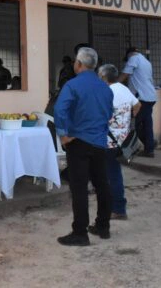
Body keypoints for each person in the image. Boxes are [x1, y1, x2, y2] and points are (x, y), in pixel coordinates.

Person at [54, 47, 113, 246]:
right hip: (99, 141)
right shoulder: (105, 87)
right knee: (102, 184)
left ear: (78, 64)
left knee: (79, 188)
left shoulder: (72, 85)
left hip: (78, 141)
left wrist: (63, 134)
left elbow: (60, 110)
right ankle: (103, 226)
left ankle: (80, 232)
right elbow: (108, 113)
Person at [98, 64, 140, 221]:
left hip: (108, 142)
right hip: (123, 140)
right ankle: (117, 206)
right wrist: (126, 121)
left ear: (103, 77)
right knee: (114, 174)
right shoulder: (123, 89)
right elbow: (137, 105)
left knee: (111, 175)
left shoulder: (106, 92)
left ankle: (118, 209)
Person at [119, 47, 157, 158]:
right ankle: (149, 147)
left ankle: (132, 151)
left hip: (141, 98)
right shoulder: (146, 62)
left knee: (133, 125)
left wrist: (112, 85)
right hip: (150, 97)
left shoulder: (133, 58)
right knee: (147, 124)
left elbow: (124, 75)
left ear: (129, 54)